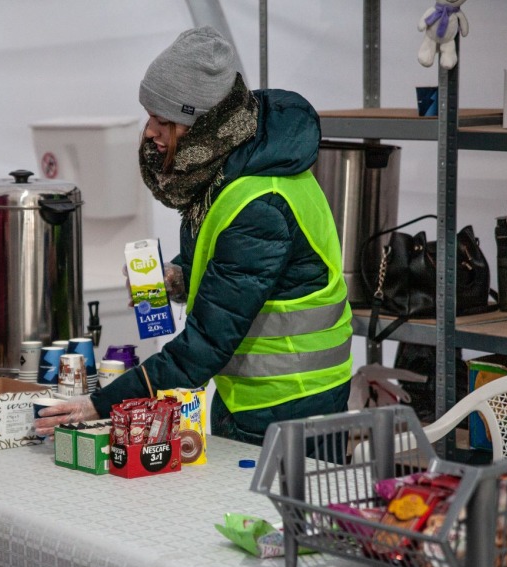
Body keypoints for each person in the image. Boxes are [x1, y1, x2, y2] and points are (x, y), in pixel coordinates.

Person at [37, 26, 353, 446]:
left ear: (204, 125)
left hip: (291, 407)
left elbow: (204, 344)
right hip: (254, 399)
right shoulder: (232, 168)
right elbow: (235, 267)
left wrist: (101, 403)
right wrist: (181, 276)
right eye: (149, 115)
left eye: (164, 120)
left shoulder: (259, 205)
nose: (149, 131)